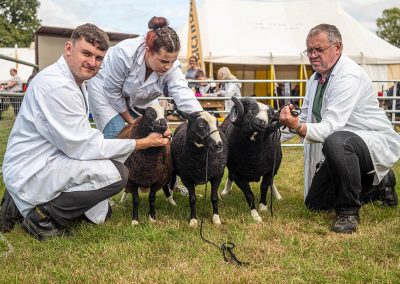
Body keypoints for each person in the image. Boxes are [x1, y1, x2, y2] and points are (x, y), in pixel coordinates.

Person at [0, 23, 171, 240]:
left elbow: (78, 134)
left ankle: (20, 201)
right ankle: (41, 217)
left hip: (48, 158)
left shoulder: (75, 82)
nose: (92, 63)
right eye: (86, 53)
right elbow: (82, 145)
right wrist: (141, 143)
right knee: (118, 175)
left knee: (102, 212)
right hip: (34, 166)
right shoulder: (56, 86)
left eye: (99, 58)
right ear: (69, 49)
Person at [279, 24, 400, 234]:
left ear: (338, 47)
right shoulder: (314, 79)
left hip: (372, 139)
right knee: (315, 203)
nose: (313, 55)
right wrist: (271, 135)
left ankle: (348, 212)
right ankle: (378, 186)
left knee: (336, 141)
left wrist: (297, 126)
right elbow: (306, 117)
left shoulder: (348, 76)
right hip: (345, 142)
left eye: (319, 49)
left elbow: (330, 127)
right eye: (310, 50)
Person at [87, 16, 203, 139]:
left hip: (134, 96)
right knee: (117, 133)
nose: (168, 67)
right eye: (163, 61)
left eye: (172, 61)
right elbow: (113, 92)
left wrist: (202, 118)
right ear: (148, 51)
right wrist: (133, 123)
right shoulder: (124, 53)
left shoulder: (171, 66)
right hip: (104, 90)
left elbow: (182, 92)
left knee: (154, 134)